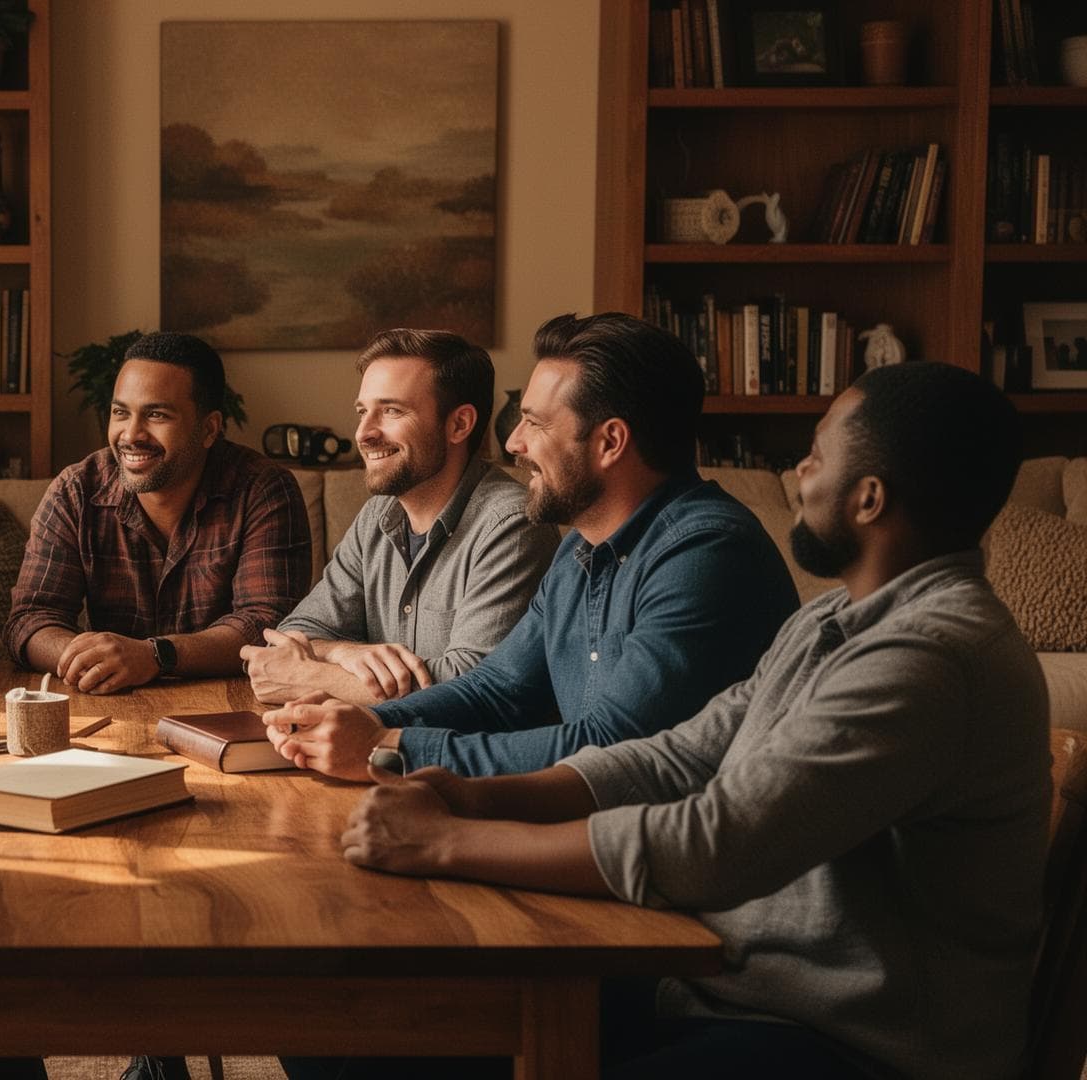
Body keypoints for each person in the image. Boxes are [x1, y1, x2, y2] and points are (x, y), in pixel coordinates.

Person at [330, 362, 1046, 1080]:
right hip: (722, 988)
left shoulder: (932, 657)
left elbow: (717, 842)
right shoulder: (831, 620)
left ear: (868, 499)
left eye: (817, 453)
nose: (799, 469)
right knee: (349, 1038)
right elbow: (674, 758)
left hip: (848, 1041)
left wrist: (450, 842)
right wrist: (474, 794)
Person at [265, 313, 797, 780]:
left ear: (610, 442)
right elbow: (496, 690)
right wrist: (371, 721)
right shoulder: (583, 549)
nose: (514, 443)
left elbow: (612, 747)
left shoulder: (705, 555)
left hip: (681, 869)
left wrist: (392, 749)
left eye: (536, 423)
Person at [241, 329, 557, 705]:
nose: (363, 433)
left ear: (459, 425)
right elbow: (294, 632)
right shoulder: (377, 514)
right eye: (363, 411)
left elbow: (471, 688)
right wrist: (346, 652)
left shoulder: (512, 525)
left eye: (391, 411)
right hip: (370, 748)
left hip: (467, 760)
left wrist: (307, 673)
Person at [4, 331, 312, 694]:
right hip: (107, 701)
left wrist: (154, 656)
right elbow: (30, 619)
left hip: (229, 705)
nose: (131, 434)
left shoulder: (263, 489)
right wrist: (89, 659)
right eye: (121, 412)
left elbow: (266, 625)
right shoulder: (76, 490)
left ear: (209, 429)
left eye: (156, 415)